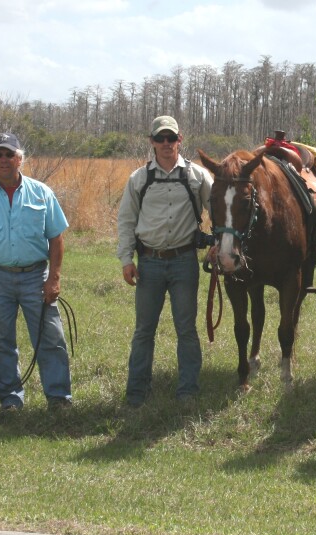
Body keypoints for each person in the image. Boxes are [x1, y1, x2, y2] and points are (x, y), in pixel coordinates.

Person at [0, 132, 72, 411]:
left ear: (20, 159)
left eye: (9, 154)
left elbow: (57, 238)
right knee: (0, 340)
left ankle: (59, 398)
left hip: (36, 276)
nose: (4, 160)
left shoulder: (42, 193)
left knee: (50, 336)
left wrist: (54, 278)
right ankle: (10, 400)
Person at [117, 115, 213, 407]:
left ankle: (187, 392)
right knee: (144, 330)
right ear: (152, 142)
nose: (166, 144)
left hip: (185, 262)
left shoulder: (197, 176)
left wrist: (219, 243)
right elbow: (126, 220)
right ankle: (136, 394)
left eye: (171, 138)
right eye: (161, 138)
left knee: (186, 329)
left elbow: (220, 211)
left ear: (179, 140)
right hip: (149, 264)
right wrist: (126, 258)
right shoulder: (140, 178)